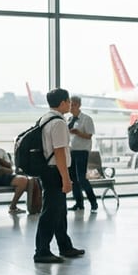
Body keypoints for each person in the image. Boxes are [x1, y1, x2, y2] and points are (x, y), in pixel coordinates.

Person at [33, 88, 84, 263]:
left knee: (59, 211)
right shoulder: (59, 123)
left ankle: (65, 245)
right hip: (55, 170)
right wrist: (66, 178)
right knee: (51, 212)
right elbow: (60, 151)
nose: (70, 104)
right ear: (62, 102)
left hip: (48, 169)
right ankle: (42, 250)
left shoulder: (45, 118)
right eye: (69, 101)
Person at [66, 96, 98, 212]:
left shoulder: (86, 119)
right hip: (71, 151)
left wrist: (78, 133)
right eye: (70, 104)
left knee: (81, 178)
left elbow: (89, 136)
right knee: (73, 179)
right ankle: (79, 203)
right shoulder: (69, 120)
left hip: (82, 151)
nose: (71, 107)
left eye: (73, 104)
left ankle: (93, 201)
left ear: (79, 105)